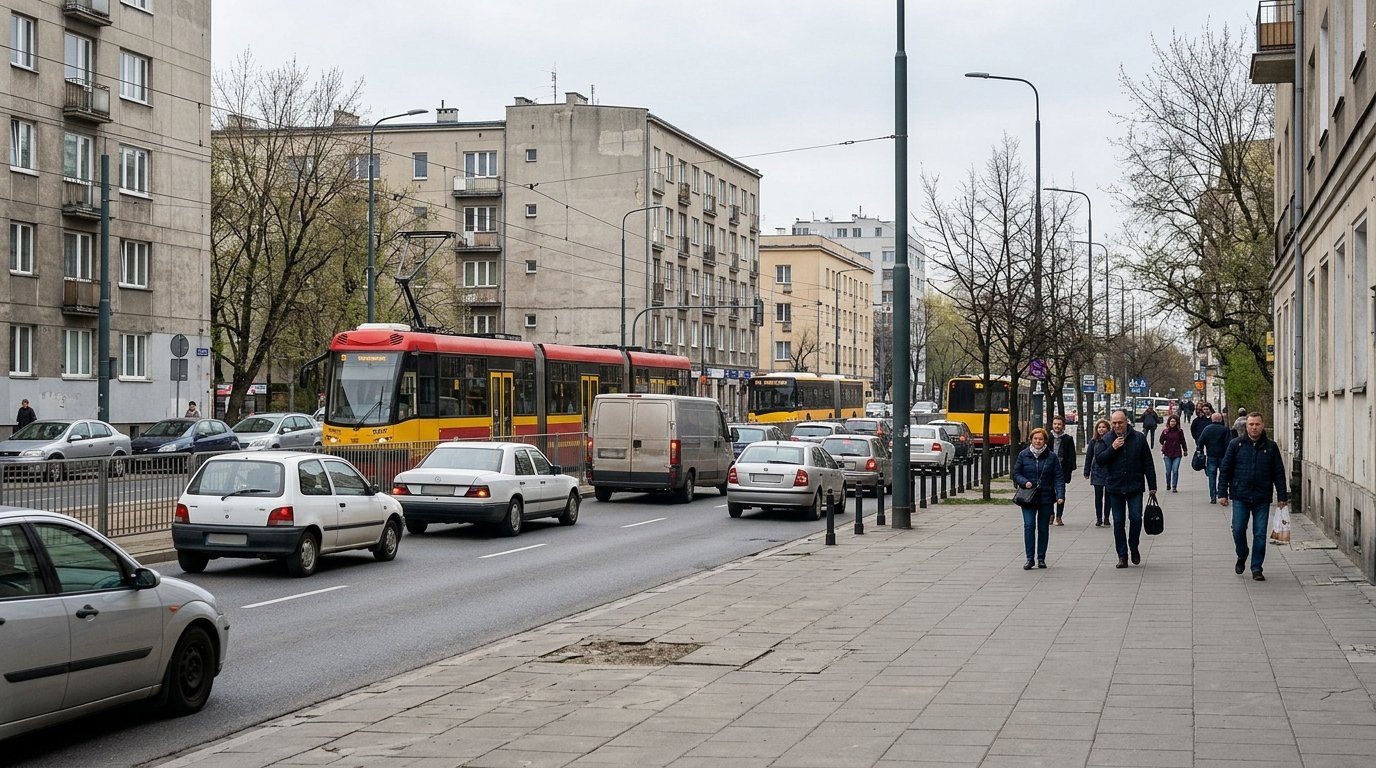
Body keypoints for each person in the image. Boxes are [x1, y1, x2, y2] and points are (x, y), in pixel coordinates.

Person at [1217, 412, 1289, 581]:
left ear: (1262, 425)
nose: (1254, 427)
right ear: (1246, 426)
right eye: (1251, 424)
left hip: (1262, 497)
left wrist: (1282, 496)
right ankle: (1242, 554)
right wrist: (1222, 493)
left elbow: (1278, 472)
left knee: (1260, 533)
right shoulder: (1236, 444)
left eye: (1257, 424)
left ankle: (1256, 567)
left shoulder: (1271, 447)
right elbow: (1225, 469)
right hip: (1240, 495)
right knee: (1238, 529)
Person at [1098, 409, 1159, 568]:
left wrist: (1152, 486)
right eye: (1114, 423)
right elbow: (1100, 460)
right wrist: (1112, 448)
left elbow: (1148, 463)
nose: (1117, 425)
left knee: (1136, 518)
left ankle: (1134, 546)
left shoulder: (1138, 438)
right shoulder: (1106, 439)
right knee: (1118, 522)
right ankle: (1122, 555)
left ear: (1127, 422)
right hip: (1115, 487)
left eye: (1120, 422)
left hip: (1134, 486)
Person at [1012, 427, 1065, 570]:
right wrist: (1024, 482)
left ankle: (1041, 558)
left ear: (1045, 441)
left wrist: (1060, 495)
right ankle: (1029, 559)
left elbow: (1059, 477)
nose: (1038, 441)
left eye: (1040, 439)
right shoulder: (1024, 455)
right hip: (1028, 497)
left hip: (1046, 498)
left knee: (1043, 528)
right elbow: (1016, 473)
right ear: (1031, 440)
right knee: (1029, 526)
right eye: (1035, 438)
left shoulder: (1051, 457)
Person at [1198, 412, 1232, 503]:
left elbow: (1200, 442)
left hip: (1211, 456)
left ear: (1212, 419)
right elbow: (1229, 443)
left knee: (1211, 477)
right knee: (1223, 476)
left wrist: (1201, 451)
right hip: (1223, 456)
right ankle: (1222, 494)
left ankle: (1213, 496)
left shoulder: (1207, 429)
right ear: (1221, 420)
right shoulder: (1225, 430)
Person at [1049, 416, 1076, 526]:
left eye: (1059, 424)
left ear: (1063, 426)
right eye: (1055, 424)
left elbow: (1071, 456)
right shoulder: (1048, 437)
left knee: (1061, 494)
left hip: (1061, 471)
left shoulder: (1068, 439)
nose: (1057, 426)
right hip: (1048, 471)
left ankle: (1059, 516)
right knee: (1049, 493)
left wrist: (1069, 469)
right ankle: (1050, 515)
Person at [1084, 418, 1111, 527]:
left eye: (1103, 427)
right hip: (1097, 471)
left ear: (1108, 429)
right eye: (1099, 427)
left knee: (1109, 496)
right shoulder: (1093, 442)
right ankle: (1099, 518)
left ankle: (1107, 517)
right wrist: (1087, 470)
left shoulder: (1111, 440)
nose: (1101, 429)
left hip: (1109, 471)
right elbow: (1089, 457)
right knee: (1098, 496)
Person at [1159, 415, 1188, 492]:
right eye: (1171, 421)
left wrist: (1185, 450)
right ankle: (1168, 484)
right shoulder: (1166, 431)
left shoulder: (1179, 431)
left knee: (1175, 470)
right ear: (1169, 422)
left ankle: (1174, 486)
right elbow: (1161, 441)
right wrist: (1163, 434)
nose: (1172, 423)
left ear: (1177, 423)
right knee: (1168, 471)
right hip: (1167, 453)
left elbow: (1183, 441)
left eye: (1174, 421)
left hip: (1177, 453)